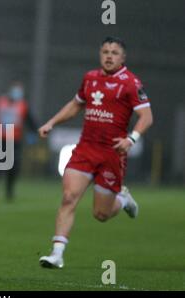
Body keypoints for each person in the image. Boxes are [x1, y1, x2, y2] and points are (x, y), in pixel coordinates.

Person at [37, 37, 153, 268]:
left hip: (112, 154)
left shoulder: (131, 83)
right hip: (85, 149)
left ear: (123, 57)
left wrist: (132, 138)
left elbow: (147, 117)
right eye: (105, 52)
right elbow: (76, 104)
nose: (109, 56)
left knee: (101, 214)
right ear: (100, 54)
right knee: (69, 197)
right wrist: (52, 122)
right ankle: (57, 254)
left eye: (114, 52)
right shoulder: (90, 78)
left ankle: (122, 199)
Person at [0, 81, 37, 202]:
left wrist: (33, 132)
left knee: (13, 167)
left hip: (13, 141)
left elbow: (30, 120)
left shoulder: (23, 105)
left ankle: (9, 191)